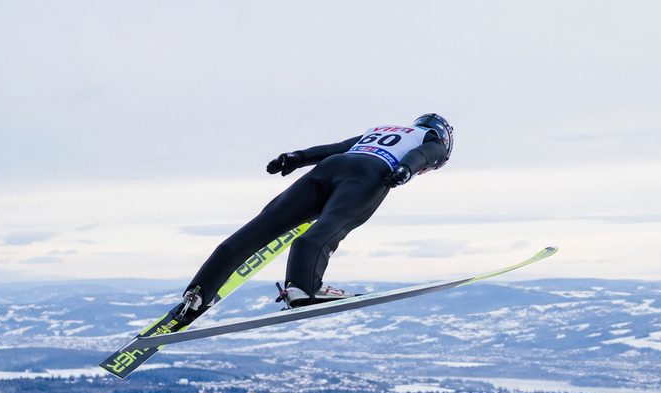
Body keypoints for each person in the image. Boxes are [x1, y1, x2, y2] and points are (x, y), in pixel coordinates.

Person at [177, 114, 454, 318]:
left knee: (263, 225)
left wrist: (297, 157)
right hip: (370, 172)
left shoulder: (382, 129)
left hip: (330, 166)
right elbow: (425, 153)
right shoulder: (431, 140)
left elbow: (337, 147)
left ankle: (199, 291)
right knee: (329, 227)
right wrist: (406, 169)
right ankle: (302, 287)